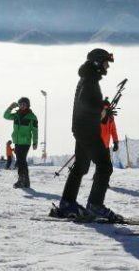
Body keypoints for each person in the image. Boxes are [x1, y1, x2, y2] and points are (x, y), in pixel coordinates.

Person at [53, 48, 121, 222]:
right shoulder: (90, 80)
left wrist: (102, 107)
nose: (107, 66)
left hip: (82, 128)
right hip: (87, 129)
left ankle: (67, 203)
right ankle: (95, 205)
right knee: (105, 166)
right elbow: (86, 103)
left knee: (81, 167)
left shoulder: (88, 78)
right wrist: (101, 109)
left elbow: (89, 103)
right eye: (105, 62)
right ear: (97, 62)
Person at [4, 97, 39, 188]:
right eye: (20, 104)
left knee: (20, 161)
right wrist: (10, 107)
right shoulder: (16, 115)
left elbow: (35, 131)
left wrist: (35, 142)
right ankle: (26, 182)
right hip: (17, 142)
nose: (22, 106)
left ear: (27, 105)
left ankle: (21, 180)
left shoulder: (32, 117)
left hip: (25, 142)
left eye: (24, 104)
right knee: (22, 161)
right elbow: (6, 116)